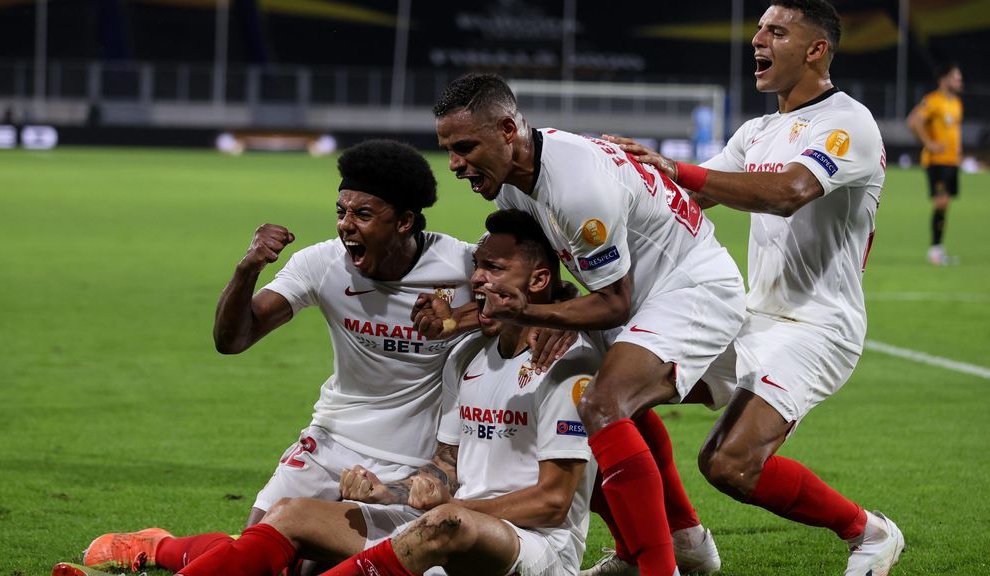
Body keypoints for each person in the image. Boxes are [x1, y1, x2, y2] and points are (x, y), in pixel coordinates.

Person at [78, 140, 477, 573]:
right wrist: (248, 268)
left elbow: (525, 303)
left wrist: (458, 320)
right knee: (260, 558)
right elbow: (233, 339)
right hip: (330, 443)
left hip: (413, 465)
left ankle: (166, 547)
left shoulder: (460, 266)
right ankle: (158, 548)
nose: (346, 226)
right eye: (341, 211)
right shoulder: (323, 264)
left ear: (404, 221)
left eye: (363, 214)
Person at [604, 1, 905, 575]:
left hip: (817, 327)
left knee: (730, 465)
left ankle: (869, 533)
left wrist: (678, 169)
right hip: (748, 316)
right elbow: (690, 197)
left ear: (816, 49)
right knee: (612, 395)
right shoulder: (757, 130)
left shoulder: (847, 122)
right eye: (759, 29)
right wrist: (615, 180)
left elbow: (788, 192)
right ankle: (679, 541)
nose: (757, 40)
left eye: (776, 31)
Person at [162, 208, 603, 576]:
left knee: (447, 524)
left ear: (540, 281)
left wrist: (451, 504)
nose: (478, 279)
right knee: (292, 513)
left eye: (494, 269)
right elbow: (445, 464)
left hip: (531, 546)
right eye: (478, 267)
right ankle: (163, 551)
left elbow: (552, 502)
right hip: (445, 525)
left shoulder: (567, 364)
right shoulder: (466, 355)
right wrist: (387, 492)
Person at [432, 72, 747, 576]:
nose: (455, 164)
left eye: (466, 146)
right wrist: (477, 313)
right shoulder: (515, 187)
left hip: (687, 291)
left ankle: (658, 567)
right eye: (447, 148)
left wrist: (534, 314)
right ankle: (682, 539)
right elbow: (540, 274)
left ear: (508, 129)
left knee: (601, 404)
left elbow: (615, 303)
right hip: (632, 290)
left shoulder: (576, 186)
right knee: (581, 400)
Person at [908, 62, 964, 265]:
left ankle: (938, 250)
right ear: (944, 79)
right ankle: (935, 251)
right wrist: (928, 143)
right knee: (941, 203)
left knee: (945, 204)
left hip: (951, 161)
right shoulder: (933, 101)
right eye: (956, 77)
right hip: (937, 162)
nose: (960, 81)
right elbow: (914, 121)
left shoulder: (956, 103)